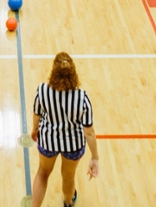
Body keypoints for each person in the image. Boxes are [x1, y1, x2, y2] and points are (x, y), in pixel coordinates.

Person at [31, 52, 99, 207]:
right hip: (73, 146)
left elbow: (37, 114)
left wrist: (35, 130)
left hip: (48, 141)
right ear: (73, 72)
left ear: (53, 71)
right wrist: (95, 157)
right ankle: (68, 202)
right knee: (68, 177)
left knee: (42, 173)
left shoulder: (42, 90)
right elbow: (89, 132)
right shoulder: (82, 97)